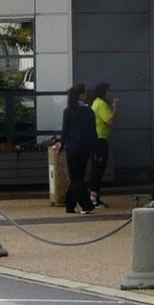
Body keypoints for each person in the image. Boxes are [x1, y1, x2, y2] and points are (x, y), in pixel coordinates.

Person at [59, 84, 97, 214]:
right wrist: (95, 149)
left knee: (75, 178)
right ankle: (69, 204)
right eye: (85, 93)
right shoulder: (89, 112)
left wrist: (61, 145)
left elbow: (65, 131)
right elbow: (93, 132)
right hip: (85, 148)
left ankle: (86, 204)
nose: (86, 96)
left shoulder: (68, 111)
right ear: (80, 95)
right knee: (78, 177)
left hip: (72, 148)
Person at [87, 81, 117, 209]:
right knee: (98, 168)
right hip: (100, 140)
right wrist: (115, 108)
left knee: (98, 168)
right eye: (108, 91)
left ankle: (95, 197)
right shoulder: (101, 104)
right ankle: (93, 198)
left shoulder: (96, 103)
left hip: (97, 139)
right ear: (103, 92)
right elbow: (110, 121)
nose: (110, 94)